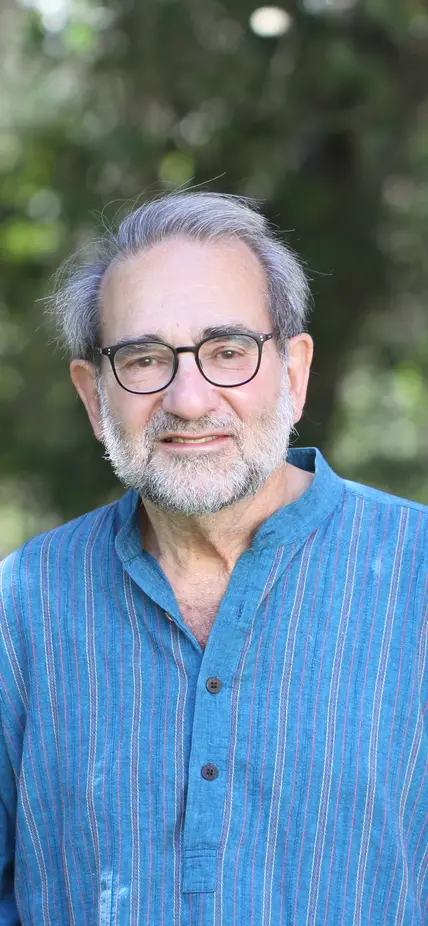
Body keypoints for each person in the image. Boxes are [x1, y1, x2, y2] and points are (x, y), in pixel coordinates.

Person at [0, 191, 427, 926]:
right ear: (94, 397)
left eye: (227, 351)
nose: (189, 399)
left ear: (293, 371)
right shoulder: (21, 609)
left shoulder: (416, 575)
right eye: (143, 358)